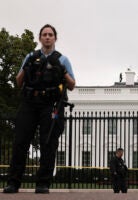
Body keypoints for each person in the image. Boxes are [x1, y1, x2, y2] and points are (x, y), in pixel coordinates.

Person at [3, 24, 76, 194]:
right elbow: (18, 82)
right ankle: (13, 182)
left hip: (50, 104)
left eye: (50, 34)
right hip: (30, 103)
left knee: (48, 143)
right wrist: (26, 65)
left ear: (55, 38)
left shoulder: (63, 59)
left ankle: (43, 183)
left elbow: (72, 85)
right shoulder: (30, 56)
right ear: (40, 38)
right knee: (20, 142)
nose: (48, 37)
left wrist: (62, 70)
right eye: (44, 34)